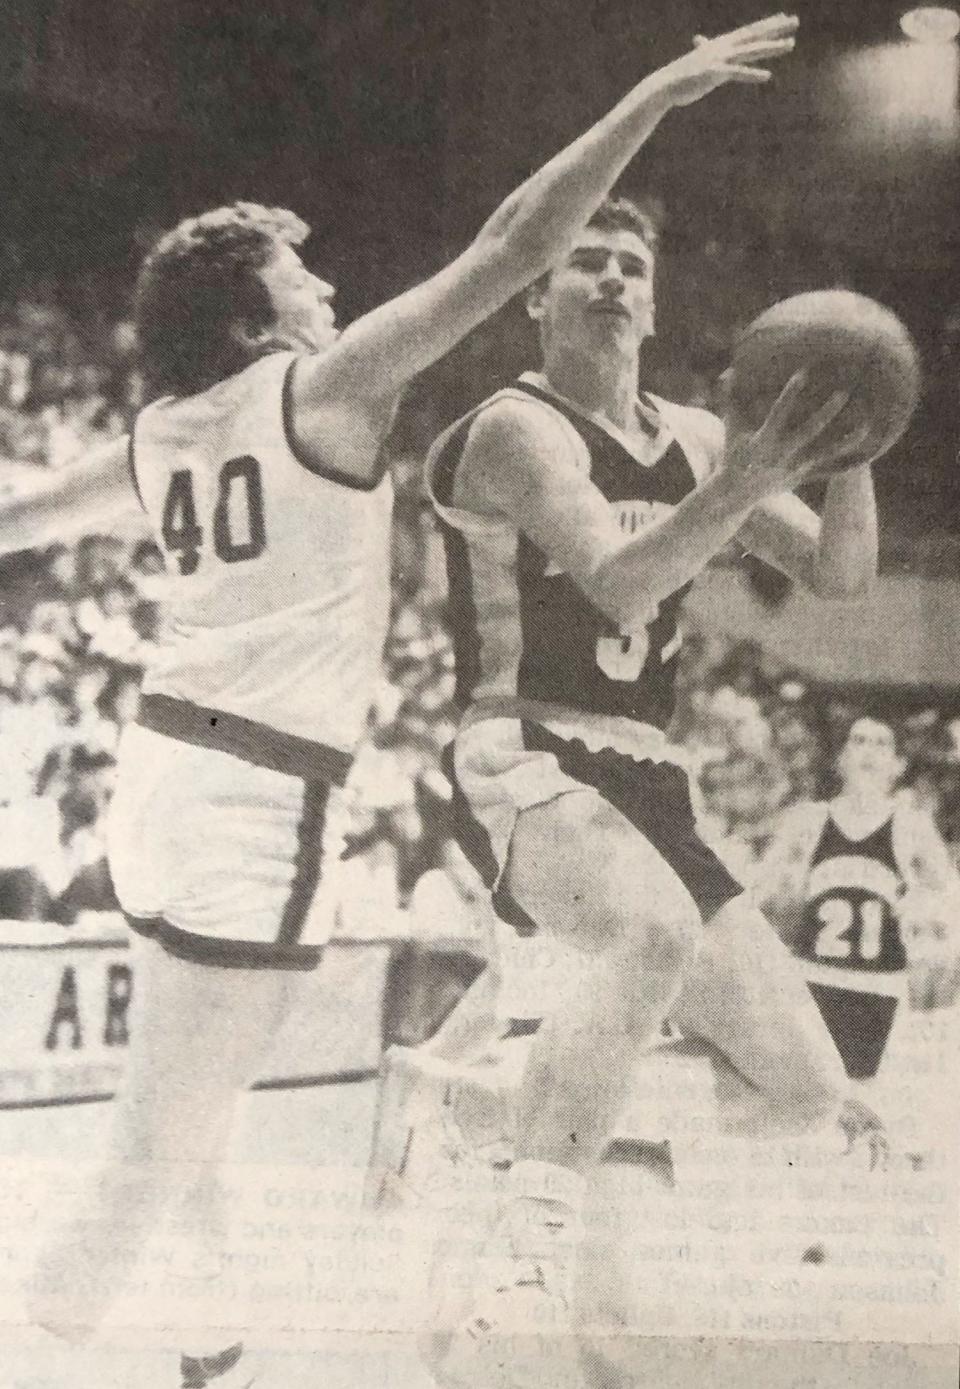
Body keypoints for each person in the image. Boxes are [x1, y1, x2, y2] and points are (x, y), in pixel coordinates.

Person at [0, 16, 801, 1387]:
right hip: (256, 794)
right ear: (257, 311)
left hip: (152, 779)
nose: (322, 284)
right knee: (148, 1143)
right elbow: (510, 248)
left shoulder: (154, 433)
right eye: (298, 272)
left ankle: (209, 1331)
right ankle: (42, 1336)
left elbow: (18, 513)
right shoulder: (324, 391)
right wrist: (649, 99)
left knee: (180, 1093)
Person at [424, 188, 886, 1378]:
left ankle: (492, 1102)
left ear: (657, 299)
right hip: (521, 738)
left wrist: (857, 446)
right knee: (653, 931)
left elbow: (840, 575)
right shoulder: (515, 428)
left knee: (806, 1088)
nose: (613, 280)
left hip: (649, 774)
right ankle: (525, 1257)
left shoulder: (694, 434)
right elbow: (621, 584)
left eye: (631, 263)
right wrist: (741, 481)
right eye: (586, 263)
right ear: (536, 297)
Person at [756, 715, 960, 1100]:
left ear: (898, 765)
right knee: (804, 1099)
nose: (869, 751)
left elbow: (952, 900)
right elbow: (754, 890)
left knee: (866, 1105)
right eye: (859, 741)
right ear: (841, 758)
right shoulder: (807, 820)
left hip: (878, 989)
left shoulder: (912, 826)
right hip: (811, 980)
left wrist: (928, 922)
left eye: (881, 744)